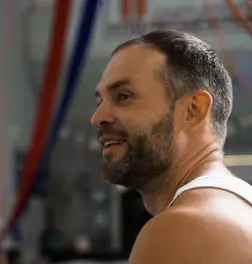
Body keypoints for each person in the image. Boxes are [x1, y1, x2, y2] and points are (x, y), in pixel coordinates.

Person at [90, 29, 252, 263]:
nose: (97, 117)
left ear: (193, 110)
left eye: (124, 96)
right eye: (100, 101)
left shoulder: (184, 228)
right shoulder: (237, 207)